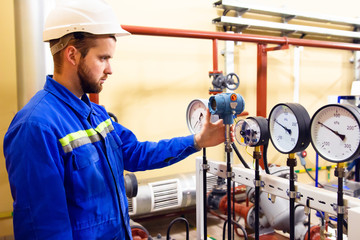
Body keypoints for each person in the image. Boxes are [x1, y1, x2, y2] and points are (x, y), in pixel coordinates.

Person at [3, 0, 229, 239]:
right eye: (103, 58)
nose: (110, 69)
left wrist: (196, 141)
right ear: (72, 54)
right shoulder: (35, 128)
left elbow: (137, 153)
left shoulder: (96, 115)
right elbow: (45, 232)